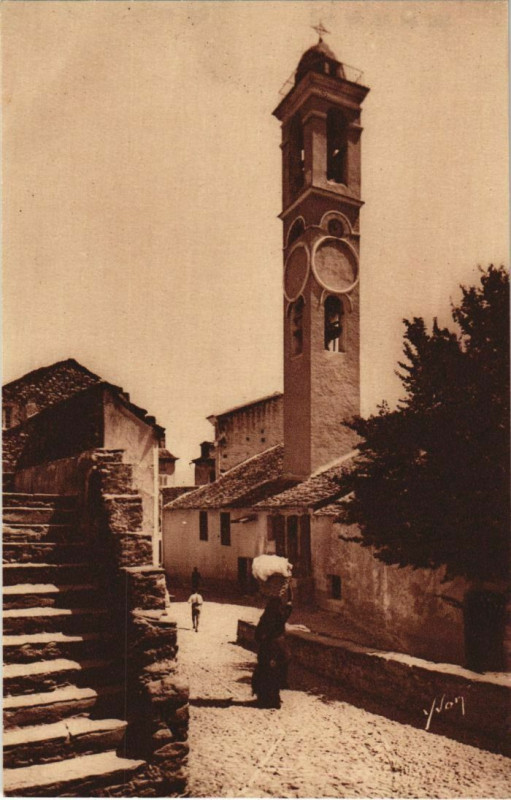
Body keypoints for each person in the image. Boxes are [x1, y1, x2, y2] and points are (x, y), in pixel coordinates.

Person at [251, 592, 292, 709]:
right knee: (276, 675)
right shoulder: (281, 617)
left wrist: (263, 639)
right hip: (282, 651)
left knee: (265, 674)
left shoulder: (266, 618)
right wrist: (289, 601)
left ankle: (266, 699)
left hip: (269, 650)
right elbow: (288, 610)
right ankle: (275, 699)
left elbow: (257, 635)